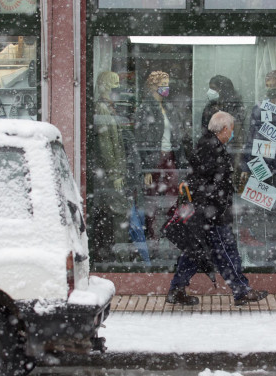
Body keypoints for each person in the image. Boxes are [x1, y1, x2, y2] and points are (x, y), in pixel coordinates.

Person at [167, 111, 269, 306]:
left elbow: (202, 179)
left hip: (207, 212)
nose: (232, 133)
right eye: (230, 129)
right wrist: (215, 207)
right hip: (212, 214)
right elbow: (206, 182)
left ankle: (176, 289)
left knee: (195, 251)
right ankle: (241, 290)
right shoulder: (211, 148)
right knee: (226, 252)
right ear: (223, 129)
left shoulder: (208, 145)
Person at [239, 70, 276, 263]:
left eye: (273, 85)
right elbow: (250, 137)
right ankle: (257, 253)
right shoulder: (259, 109)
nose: (270, 89)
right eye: (267, 85)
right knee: (258, 211)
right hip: (260, 166)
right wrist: (245, 167)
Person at [134, 70, 189, 238]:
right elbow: (141, 139)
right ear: (153, 86)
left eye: (167, 84)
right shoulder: (145, 108)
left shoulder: (168, 107)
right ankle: (152, 233)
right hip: (154, 159)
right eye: (163, 85)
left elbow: (177, 134)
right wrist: (146, 169)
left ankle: (170, 229)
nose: (166, 88)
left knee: (173, 195)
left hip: (170, 157)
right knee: (152, 199)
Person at [90, 71, 129, 262]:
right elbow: (106, 144)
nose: (117, 91)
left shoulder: (108, 108)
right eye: (114, 87)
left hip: (111, 171)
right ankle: (119, 257)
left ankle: (111, 254)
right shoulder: (101, 109)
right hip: (108, 173)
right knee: (117, 212)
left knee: (110, 212)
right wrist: (114, 174)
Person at [200, 75, 246, 179]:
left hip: (229, 153)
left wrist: (236, 166)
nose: (210, 91)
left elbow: (239, 140)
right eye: (210, 88)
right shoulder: (209, 107)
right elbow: (204, 133)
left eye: (214, 88)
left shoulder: (234, 107)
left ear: (223, 90)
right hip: (211, 155)